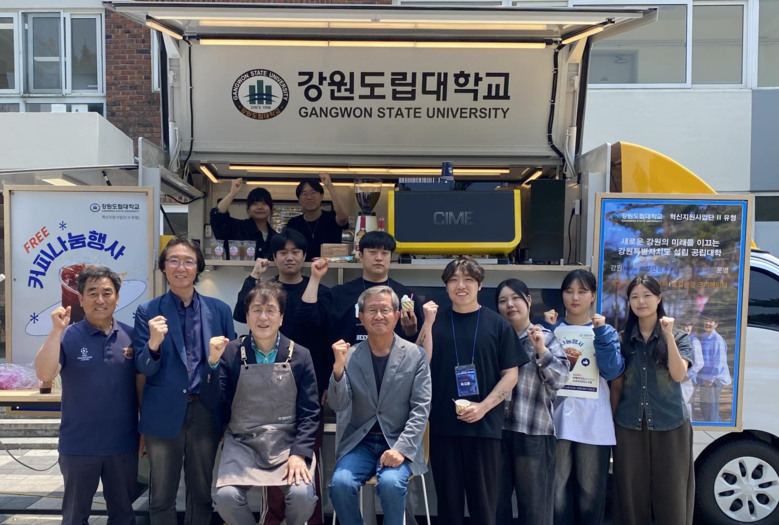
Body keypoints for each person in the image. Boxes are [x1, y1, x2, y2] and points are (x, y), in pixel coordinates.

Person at [416, 256, 525, 525]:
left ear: (480, 285)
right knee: (448, 506)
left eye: (468, 279)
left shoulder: (498, 325)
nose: (461, 285)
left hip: (484, 427)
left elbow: (511, 375)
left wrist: (483, 407)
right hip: (443, 425)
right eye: (453, 280)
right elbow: (420, 362)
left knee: (484, 506)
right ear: (446, 287)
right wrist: (427, 323)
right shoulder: (435, 321)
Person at [134, 237, 236, 525]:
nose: (181, 267)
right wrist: (153, 343)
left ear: (198, 267)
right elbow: (143, 368)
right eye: (174, 260)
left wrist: (228, 416)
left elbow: (228, 368)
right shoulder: (148, 311)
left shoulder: (219, 310)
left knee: (201, 492)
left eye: (188, 261)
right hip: (162, 412)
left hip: (206, 410)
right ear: (163, 268)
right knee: (161, 495)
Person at [202, 280, 320, 525]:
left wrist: (299, 453)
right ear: (247, 316)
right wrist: (212, 362)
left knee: (303, 496)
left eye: (270, 310)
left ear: (281, 317)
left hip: (287, 442)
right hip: (242, 441)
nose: (263, 317)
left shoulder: (300, 355)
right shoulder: (231, 352)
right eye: (256, 310)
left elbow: (310, 413)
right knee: (226, 498)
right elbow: (211, 400)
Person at [233, 228, 329, 525]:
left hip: (308, 387)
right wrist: (254, 276)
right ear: (274, 256)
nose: (289, 257)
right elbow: (240, 313)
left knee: (305, 463)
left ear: (304, 255)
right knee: (271, 468)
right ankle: (273, 520)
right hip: (265, 391)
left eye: (295, 251)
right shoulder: (265, 291)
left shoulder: (321, 290)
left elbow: (318, 331)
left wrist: (326, 383)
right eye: (283, 252)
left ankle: (310, 520)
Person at [34, 266, 141, 525]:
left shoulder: (132, 336)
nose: (100, 300)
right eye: (92, 293)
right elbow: (44, 373)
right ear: (80, 299)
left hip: (123, 445)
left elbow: (141, 388)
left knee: (123, 516)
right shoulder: (67, 335)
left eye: (107, 293)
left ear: (117, 298)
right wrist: (56, 331)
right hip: (78, 445)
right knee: (74, 517)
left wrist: (145, 431)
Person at [328, 286, 432, 525]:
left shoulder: (416, 355)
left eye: (385, 310)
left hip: (399, 440)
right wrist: (338, 369)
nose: (378, 316)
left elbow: (421, 409)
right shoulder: (350, 355)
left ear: (397, 315)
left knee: (391, 484)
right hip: (360, 442)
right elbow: (338, 404)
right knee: (341, 484)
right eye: (371, 310)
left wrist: (401, 449)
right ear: (361, 316)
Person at [610, 275, 695, 525]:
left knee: (672, 493)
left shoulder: (679, 337)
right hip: (629, 425)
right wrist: (610, 422)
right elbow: (617, 386)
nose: (641, 302)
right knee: (630, 495)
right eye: (634, 297)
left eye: (647, 295)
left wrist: (668, 335)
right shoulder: (622, 339)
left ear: (659, 298)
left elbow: (679, 375)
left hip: (671, 423)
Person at [540, 269, 623, 525]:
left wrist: (602, 333)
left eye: (582, 291)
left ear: (593, 296)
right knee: (556, 489)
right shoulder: (550, 329)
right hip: (556, 421)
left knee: (591, 491)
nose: (575, 297)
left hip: (593, 422)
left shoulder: (605, 331)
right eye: (569, 291)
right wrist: (548, 330)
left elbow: (613, 371)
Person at [495, 279, 569, 525]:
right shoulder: (494, 339)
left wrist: (541, 351)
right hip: (496, 433)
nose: (510, 305)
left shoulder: (546, 338)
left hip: (534, 432)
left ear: (528, 301)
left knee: (536, 511)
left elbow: (560, 380)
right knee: (495, 508)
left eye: (515, 298)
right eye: (503, 301)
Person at [297, 231, 424, 350]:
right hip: (346, 363)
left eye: (385, 253)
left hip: (395, 365)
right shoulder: (339, 294)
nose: (379, 258)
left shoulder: (407, 297)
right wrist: (315, 278)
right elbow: (307, 323)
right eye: (372, 252)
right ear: (361, 256)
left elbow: (420, 345)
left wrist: (411, 332)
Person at [285, 173, 349, 260]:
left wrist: (329, 185)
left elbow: (343, 216)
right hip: (302, 267)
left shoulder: (332, 217)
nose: (309, 197)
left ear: (321, 196)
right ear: (299, 200)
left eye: (313, 193)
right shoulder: (293, 224)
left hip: (331, 266)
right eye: (304, 194)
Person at [210, 178, 277, 260]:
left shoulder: (276, 237)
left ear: (271, 209)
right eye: (255, 204)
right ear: (248, 209)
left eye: (264, 203)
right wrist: (232, 193)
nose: (260, 207)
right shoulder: (236, 227)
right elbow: (217, 217)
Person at [698, 313, 732, 423]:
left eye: (711, 321)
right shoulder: (704, 336)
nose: (707, 323)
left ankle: (717, 428)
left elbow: (720, 363)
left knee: (711, 411)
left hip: (713, 379)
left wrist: (710, 379)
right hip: (705, 378)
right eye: (706, 321)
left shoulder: (717, 340)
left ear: (716, 325)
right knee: (705, 409)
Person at [681, 319, 705, 420]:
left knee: (685, 405)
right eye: (684, 326)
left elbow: (699, 363)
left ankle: (688, 427)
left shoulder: (694, 342)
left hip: (687, 380)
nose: (686, 328)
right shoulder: (680, 340)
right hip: (678, 378)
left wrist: (687, 376)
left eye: (689, 326)